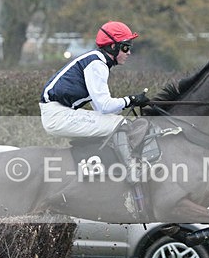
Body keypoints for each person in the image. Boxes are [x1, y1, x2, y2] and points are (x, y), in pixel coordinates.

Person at [40, 21, 150, 181]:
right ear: (113, 47)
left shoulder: (97, 60)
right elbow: (104, 106)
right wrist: (130, 100)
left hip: (59, 112)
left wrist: (129, 102)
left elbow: (100, 109)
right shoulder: (97, 64)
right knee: (121, 123)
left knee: (114, 121)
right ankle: (132, 171)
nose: (129, 52)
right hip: (58, 115)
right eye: (126, 47)